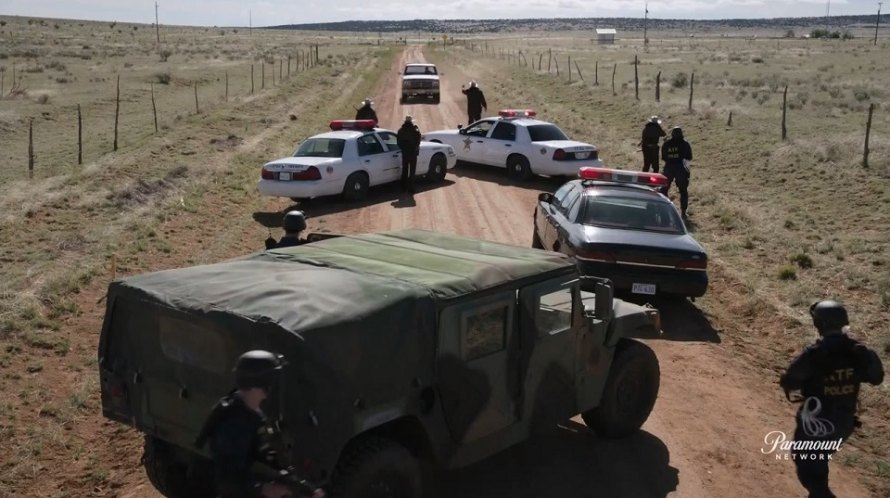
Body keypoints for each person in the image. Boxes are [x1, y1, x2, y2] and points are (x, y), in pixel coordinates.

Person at [780, 301, 884, 498]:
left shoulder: (815, 353)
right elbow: (877, 378)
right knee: (819, 460)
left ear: (820, 325)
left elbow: (791, 379)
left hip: (816, 422)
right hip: (844, 422)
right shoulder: (859, 351)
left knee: (808, 465)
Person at [196, 351, 325, 498]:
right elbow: (228, 480)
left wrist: (303, 488)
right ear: (263, 383)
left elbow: (269, 459)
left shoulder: (253, 412)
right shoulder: (233, 424)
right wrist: (264, 489)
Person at [660, 126, 693, 218]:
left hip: (668, 168)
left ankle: (664, 209)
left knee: (664, 189)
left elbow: (663, 157)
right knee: (683, 191)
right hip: (681, 168)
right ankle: (683, 212)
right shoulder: (685, 144)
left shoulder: (666, 144)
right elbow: (689, 157)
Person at [396, 115, 421, 193]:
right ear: (411, 121)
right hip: (413, 153)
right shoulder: (415, 130)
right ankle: (411, 188)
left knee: (405, 170)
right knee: (412, 172)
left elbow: (398, 142)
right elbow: (418, 140)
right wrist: (414, 147)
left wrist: (403, 148)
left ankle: (403, 187)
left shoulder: (400, 130)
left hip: (405, 153)